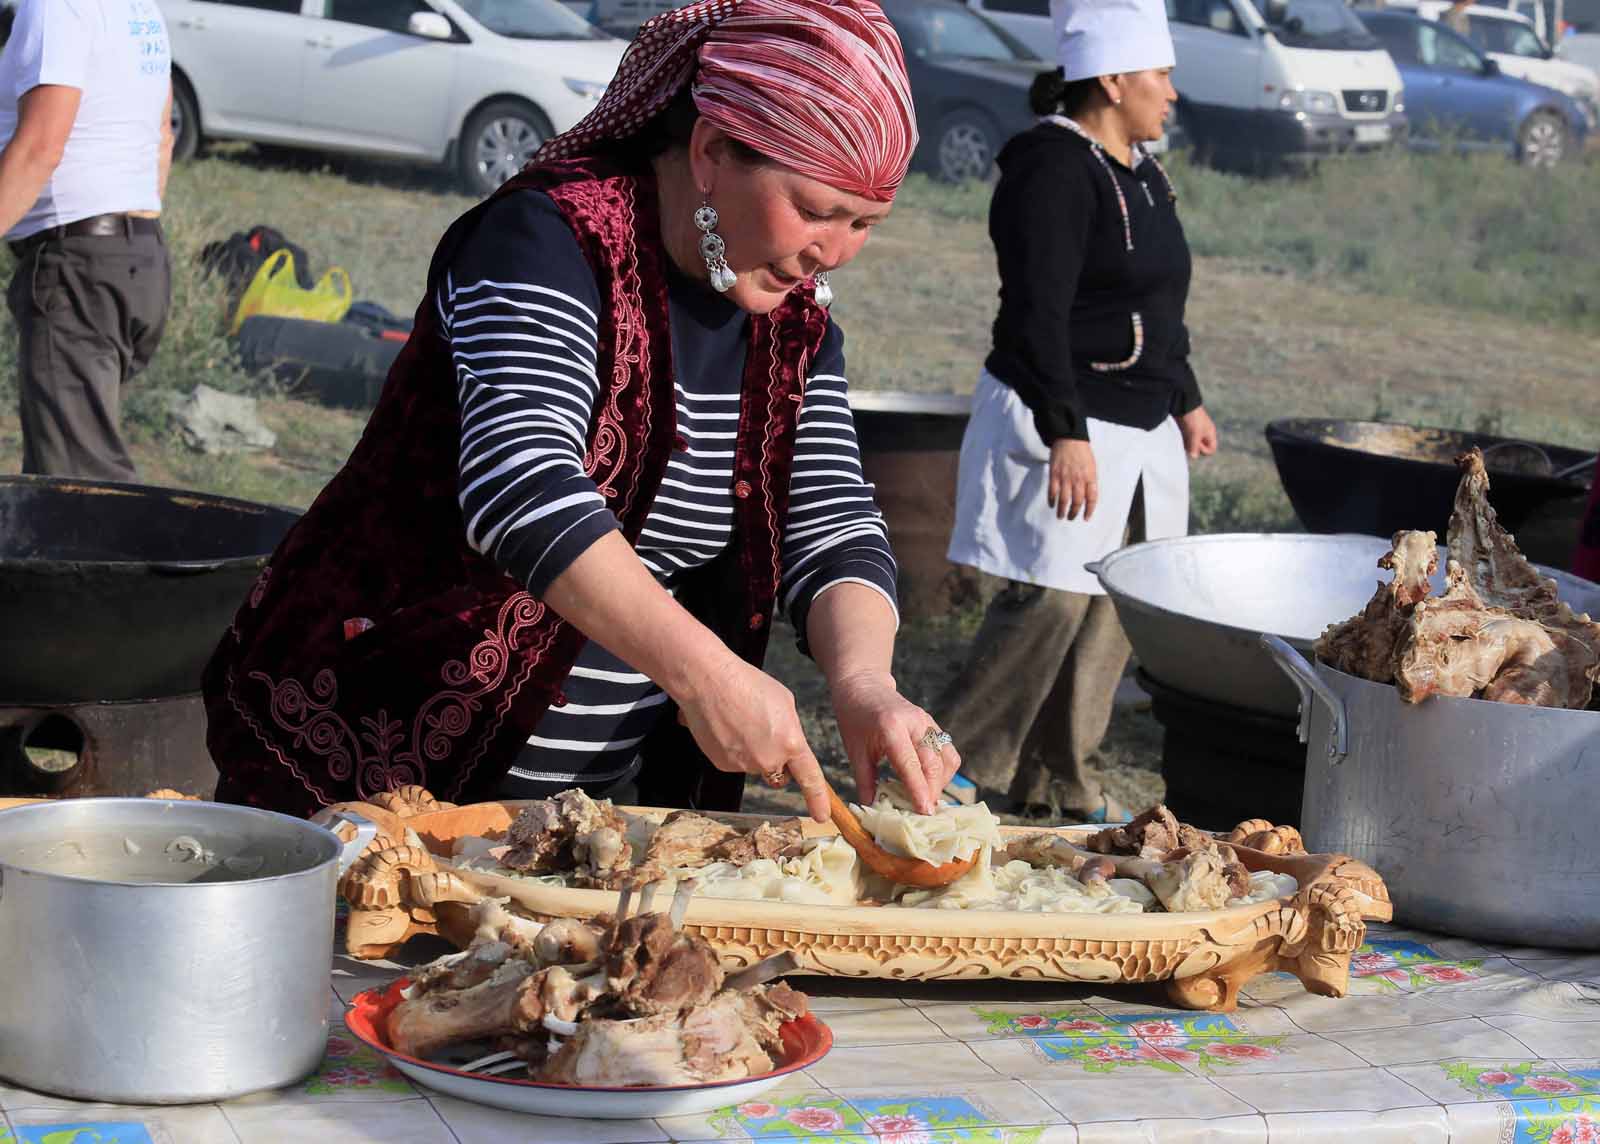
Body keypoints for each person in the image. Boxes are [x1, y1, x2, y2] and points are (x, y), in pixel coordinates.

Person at [202, 0, 962, 825]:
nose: (834, 251)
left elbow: (833, 524)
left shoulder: (793, 324)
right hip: (371, 770)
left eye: (865, 223)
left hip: (584, 809)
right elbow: (523, 485)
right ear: (710, 151)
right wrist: (706, 675)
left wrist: (864, 686)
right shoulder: (547, 241)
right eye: (815, 210)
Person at [936, 0, 1217, 822]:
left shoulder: (1142, 169)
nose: (1170, 93)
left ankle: (1060, 782)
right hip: (1063, 416)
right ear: (1113, 78)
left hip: (1141, 427)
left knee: (1114, 605)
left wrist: (1187, 399)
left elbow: (1161, 305)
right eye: (1160, 76)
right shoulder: (1051, 170)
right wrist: (1067, 432)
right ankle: (946, 764)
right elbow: (1035, 314)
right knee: (1051, 598)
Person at [0, 0, 173, 482]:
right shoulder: (139, 10)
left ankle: (159, 555)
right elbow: (161, 135)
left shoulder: (57, 7)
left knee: (84, 493)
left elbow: (40, 147)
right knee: (65, 468)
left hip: (80, 265)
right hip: (136, 256)